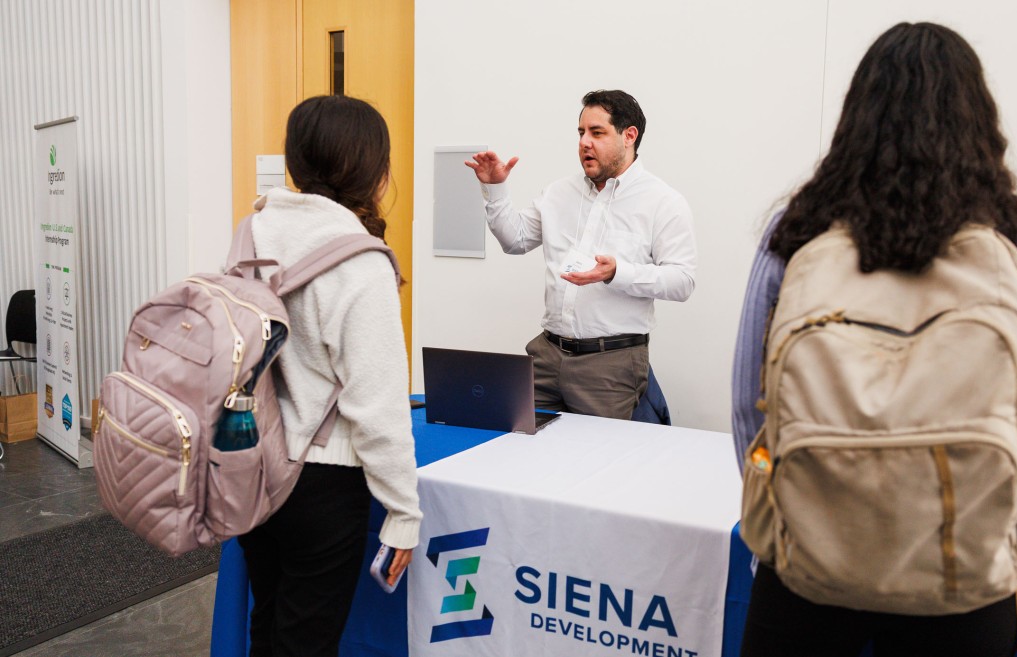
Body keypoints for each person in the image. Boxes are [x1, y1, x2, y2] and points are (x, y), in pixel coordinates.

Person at [731, 23, 1017, 656]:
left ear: (855, 117)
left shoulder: (798, 229)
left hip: (805, 566)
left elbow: (748, 407)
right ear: (981, 118)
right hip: (971, 579)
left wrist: (776, 541)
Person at [237, 95, 422, 657]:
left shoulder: (250, 234)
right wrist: (403, 513)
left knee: (267, 622)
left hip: (250, 462)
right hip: (321, 484)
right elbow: (377, 406)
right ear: (373, 168)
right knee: (306, 642)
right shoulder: (360, 261)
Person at [464, 90, 697, 420]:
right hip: (547, 354)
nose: (584, 142)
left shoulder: (663, 202)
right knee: (517, 441)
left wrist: (618, 272)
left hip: (610, 365)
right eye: (581, 132)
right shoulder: (559, 192)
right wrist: (495, 189)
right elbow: (515, 240)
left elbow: (682, 281)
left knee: (598, 452)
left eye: (597, 133)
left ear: (629, 136)